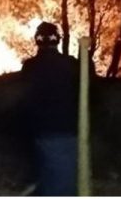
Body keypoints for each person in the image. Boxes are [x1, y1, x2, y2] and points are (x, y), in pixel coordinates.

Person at [21, 21, 78, 196]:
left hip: (41, 132)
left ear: (37, 40)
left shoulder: (30, 66)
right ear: (58, 40)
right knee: (62, 181)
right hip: (69, 131)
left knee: (49, 178)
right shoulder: (72, 64)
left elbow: (24, 101)